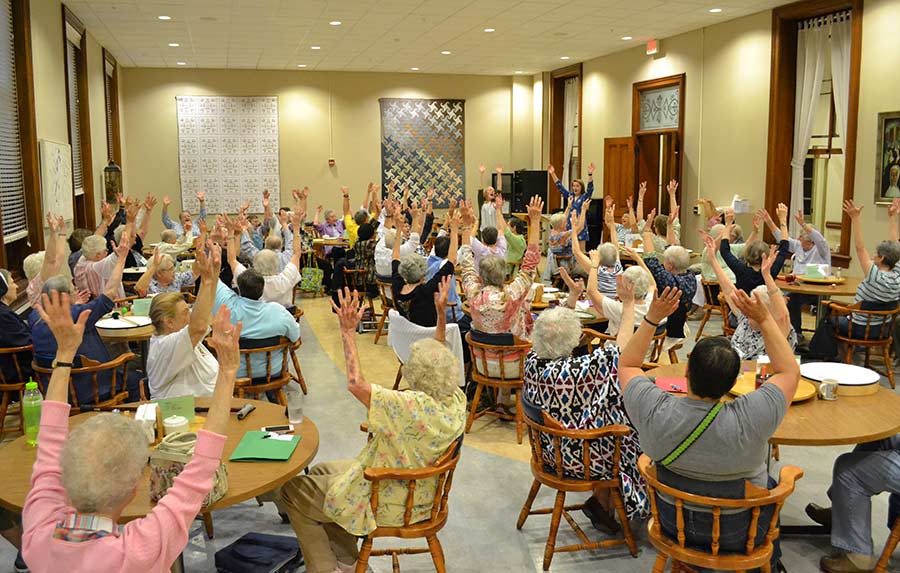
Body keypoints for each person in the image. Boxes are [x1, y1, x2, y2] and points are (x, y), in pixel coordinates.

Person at [21, 290, 241, 573]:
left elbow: (48, 452)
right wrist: (228, 371)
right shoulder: (138, 551)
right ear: (134, 488)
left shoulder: (37, 536)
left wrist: (64, 357)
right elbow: (200, 468)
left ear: (65, 475)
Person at [278, 285, 466, 573]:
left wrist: (347, 333)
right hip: (426, 490)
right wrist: (440, 316)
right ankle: (347, 560)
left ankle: (324, 567)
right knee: (321, 471)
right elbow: (438, 353)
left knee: (293, 490)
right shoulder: (455, 397)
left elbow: (356, 384)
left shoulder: (407, 406)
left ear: (413, 373)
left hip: (392, 497)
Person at [618, 286, 799, 571]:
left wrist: (652, 318)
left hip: (672, 524)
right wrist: (765, 320)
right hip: (736, 533)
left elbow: (628, 364)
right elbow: (788, 371)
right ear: (733, 383)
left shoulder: (654, 409)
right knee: (771, 485)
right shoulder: (753, 417)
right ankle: (771, 564)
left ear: (687, 372)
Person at [523, 289, 649, 533]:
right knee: (632, 436)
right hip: (576, 457)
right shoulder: (575, 372)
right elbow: (621, 350)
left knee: (607, 411)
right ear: (572, 341)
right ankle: (616, 503)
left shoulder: (531, 360)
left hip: (548, 448)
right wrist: (628, 306)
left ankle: (602, 502)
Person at [30, 231, 134, 406]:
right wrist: (122, 258)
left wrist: (75, 303)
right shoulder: (78, 315)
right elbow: (109, 292)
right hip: (93, 388)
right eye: (73, 291)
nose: (76, 292)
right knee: (136, 378)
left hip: (56, 391)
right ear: (65, 297)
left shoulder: (34, 316)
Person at [809, 201, 900, 357]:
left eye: (875, 254)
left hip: (860, 328)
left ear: (881, 258)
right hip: (882, 329)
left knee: (829, 320)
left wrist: (855, 219)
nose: (872, 256)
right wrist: (893, 217)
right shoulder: (897, 275)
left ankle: (823, 356)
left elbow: (860, 248)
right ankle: (846, 355)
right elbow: (896, 246)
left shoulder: (875, 276)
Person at [458, 196, 542, 341]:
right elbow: (530, 264)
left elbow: (466, 263)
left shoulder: (473, 292)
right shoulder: (513, 293)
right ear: (503, 275)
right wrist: (534, 223)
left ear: (480, 275)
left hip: (481, 353)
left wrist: (466, 226)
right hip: (515, 354)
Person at [702, 233, 797, 359]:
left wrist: (767, 276)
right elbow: (729, 290)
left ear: (770, 312)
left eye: (754, 304)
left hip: (757, 370)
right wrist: (713, 260)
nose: (748, 306)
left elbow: (783, 315)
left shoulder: (779, 331)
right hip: (734, 367)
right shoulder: (745, 318)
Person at [145, 240, 220, 399]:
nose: (191, 315)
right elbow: (199, 326)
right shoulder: (165, 345)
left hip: (210, 401)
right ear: (169, 322)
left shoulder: (183, 335)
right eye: (186, 313)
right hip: (185, 410)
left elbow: (205, 317)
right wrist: (206, 281)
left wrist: (214, 275)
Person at [213, 267, 300, 386]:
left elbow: (216, 284)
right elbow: (295, 336)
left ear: (239, 289)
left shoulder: (228, 311)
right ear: (262, 289)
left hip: (237, 373)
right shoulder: (279, 312)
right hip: (273, 371)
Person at [391, 208, 458, 328]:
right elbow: (451, 261)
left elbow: (395, 257)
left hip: (408, 334)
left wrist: (398, 230)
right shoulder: (426, 290)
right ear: (423, 274)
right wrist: (454, 230)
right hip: (429, 335)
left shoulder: (397, 286)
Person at [229, 209, 303, 308]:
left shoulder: (249, 281)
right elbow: (296, 252)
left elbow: (235, 256)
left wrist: (239, 231)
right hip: (283, 313)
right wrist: (295, 227)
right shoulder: (285, 278)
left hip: (256, 314)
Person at [549, 161, 594, 250]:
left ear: (581, 187)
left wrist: (590, 174)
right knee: (570, 249)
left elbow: (590, 189)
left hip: (580, 225)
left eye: (577, 186)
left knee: (581, 250)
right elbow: (560, 187)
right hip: (569, 225)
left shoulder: (584, 196)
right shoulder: (570, 196)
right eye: (573, 186)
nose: (575, 188)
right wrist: (553, 174)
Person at [0, 269, 32, 389]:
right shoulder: (3, 316)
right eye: (12, 282)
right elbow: (26, 342)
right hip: (14, 372)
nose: (17, 286)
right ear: (4, 288)